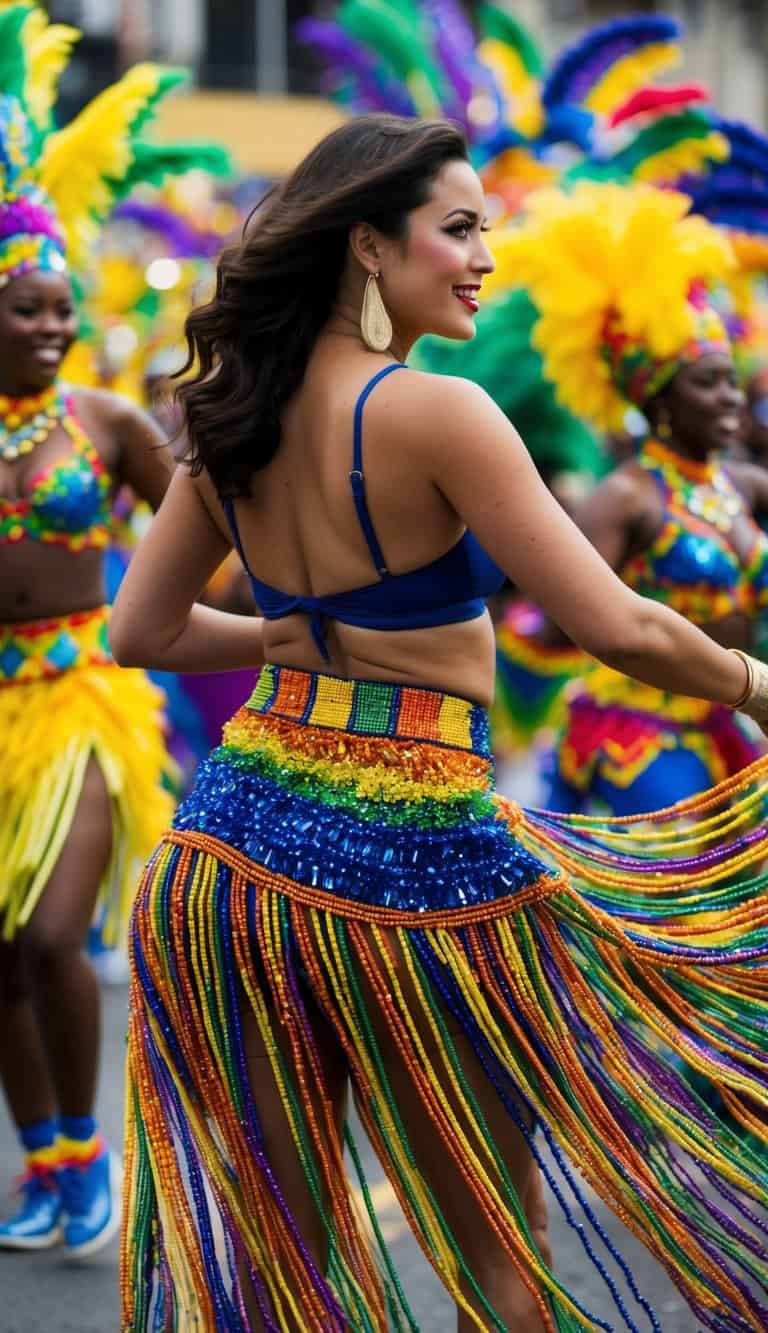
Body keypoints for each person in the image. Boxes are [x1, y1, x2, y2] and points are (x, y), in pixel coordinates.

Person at [113, 116, 768, 1332]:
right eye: (460, 228)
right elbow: (619, 628)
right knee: (497, 1268)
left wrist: (281, 639)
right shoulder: (439, 412)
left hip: (224, 863)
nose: (485, 257)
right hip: (412, 863)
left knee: (287, 1273)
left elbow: (140, 633)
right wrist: (751, 683)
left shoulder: (232, 411)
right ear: (368, 244)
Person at [0, 29, 188, 1256]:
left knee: (47, 933)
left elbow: (205, 528)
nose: (55, 324)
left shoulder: (108, 420)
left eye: (64, 305)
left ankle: (94, 1144)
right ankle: (52, 1162)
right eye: (29, 306)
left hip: (82, 700)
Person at [489, 179, 768, 816]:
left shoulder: (745, 486)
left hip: (729, 718)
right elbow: (570, 618)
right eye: (707, 383)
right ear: (659, 400)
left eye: (732, 381)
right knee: (689, 892)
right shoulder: (624, 498)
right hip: (633, 730)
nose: (731, 398)